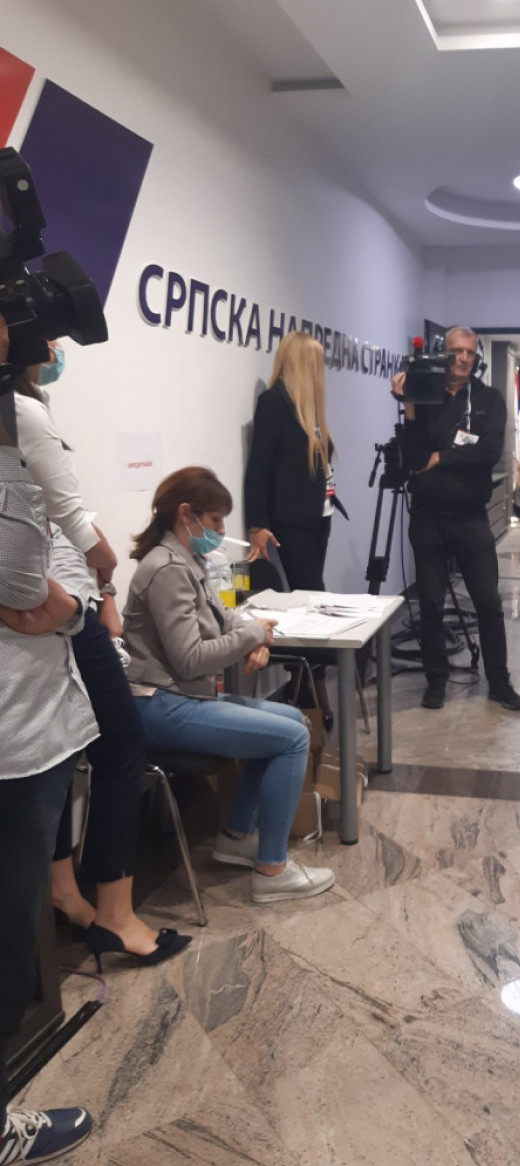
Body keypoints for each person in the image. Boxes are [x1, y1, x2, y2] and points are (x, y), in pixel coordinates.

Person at [14, 354, 188, 965]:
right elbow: (75, 525)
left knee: (63, 751)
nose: (58, 348)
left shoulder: (28, 405)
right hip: (60, 607)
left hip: (69, 602)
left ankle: (66, 891)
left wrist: (102, 589)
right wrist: (101, 573)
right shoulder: (21, 410)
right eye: (50, 335)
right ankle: (112, 912)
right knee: (121, 746)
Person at [123, 467, 335, 903]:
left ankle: (237, 835)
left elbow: (226, 617)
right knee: (292, 738)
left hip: (181, 696)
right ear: (186, 514)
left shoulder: (189, 562)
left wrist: (251, 635)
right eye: (216, 520)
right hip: (159, 704)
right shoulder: (166, 569)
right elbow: (189, 658)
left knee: (292, 720)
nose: (221, 530)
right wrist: (252, 635)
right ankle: (273, 871)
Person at [0, 321, 95, 1166]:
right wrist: (68, 602)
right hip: (14, 733)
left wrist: (67, 600)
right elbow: (32, 582)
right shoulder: (18, 419)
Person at [390, 326, 520, 712]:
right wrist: (409, 406)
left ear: (476, 356)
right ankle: (436, 680)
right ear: (442, 354)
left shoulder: (488, 399)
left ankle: (499, 682)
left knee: (488, 603)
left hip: (470, 518)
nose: (463, 358)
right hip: (428, 518)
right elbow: (413, 458)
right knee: (431, 605)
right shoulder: (425, 396)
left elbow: (489, 451)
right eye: (455, 351)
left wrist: (441, 457)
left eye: (469, 352)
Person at [243, 332, 346, 723]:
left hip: (319, 517)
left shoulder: (309, 409)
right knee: (311, 601)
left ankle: (307, 688)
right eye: (315, 362)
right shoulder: (275, 403)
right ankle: (314, 694)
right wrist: (257, 524)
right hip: (292, 521)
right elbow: (259, 467)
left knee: (311, 599)